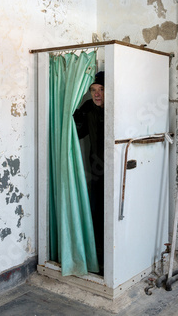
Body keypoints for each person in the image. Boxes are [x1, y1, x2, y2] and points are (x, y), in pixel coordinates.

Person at [73, 71, 105, 271]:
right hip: (96, 170)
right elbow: (78, 131)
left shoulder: (118, 109)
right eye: (93, 90)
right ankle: (98, 255)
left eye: (101, 89)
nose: (97, 94)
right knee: (97, 211)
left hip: (117, 168)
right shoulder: (90, 109)